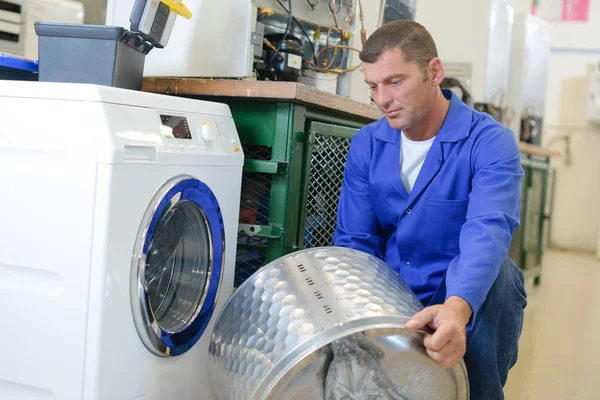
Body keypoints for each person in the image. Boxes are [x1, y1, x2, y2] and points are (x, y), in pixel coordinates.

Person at [333, 20, 528, 400]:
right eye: (373, 86)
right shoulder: (367, 144)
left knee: (503, 276)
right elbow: (355, 242)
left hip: (460, 294)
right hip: (391, 293)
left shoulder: (489, 143)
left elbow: (487, 232)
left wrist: (456, 308)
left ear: (434, 72)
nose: (382, 100)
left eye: (395, 82)